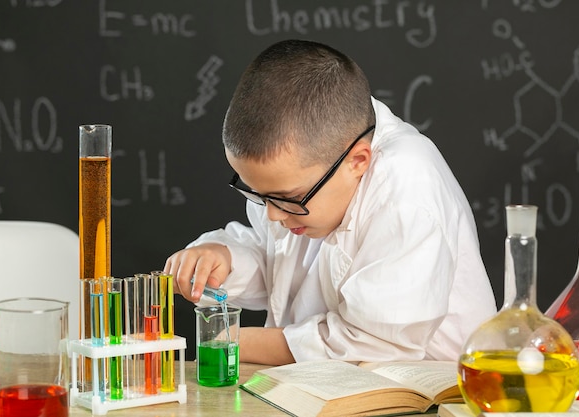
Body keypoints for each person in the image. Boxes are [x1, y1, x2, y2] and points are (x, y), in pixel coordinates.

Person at [164, 39, 497, 366]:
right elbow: (278, 264)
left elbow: (375, 344)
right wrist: (224, 258)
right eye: (257, 193)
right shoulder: (306, 173)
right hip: (322, 387)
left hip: (435, 393)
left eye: (289, 199)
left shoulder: (406, 191)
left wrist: (237, 341)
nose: (273, 215)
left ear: (358, 161)